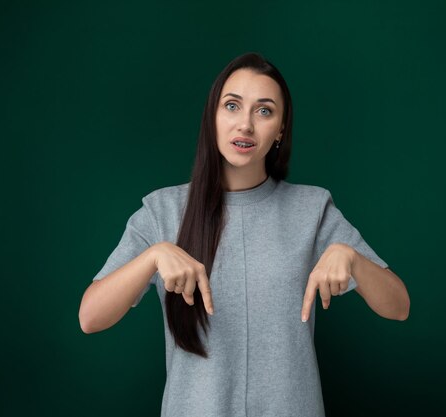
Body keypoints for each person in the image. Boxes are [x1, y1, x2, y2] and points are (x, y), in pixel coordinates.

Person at [78, 52, 410, 417]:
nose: (246, 125)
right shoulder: (162, 211)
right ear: (213, 117)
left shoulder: (312, 209)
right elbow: (90, 317)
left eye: (264, 111)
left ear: (281, 128)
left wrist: (353, 259)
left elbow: (398, 306)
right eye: (232, 106)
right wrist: (152, 257)